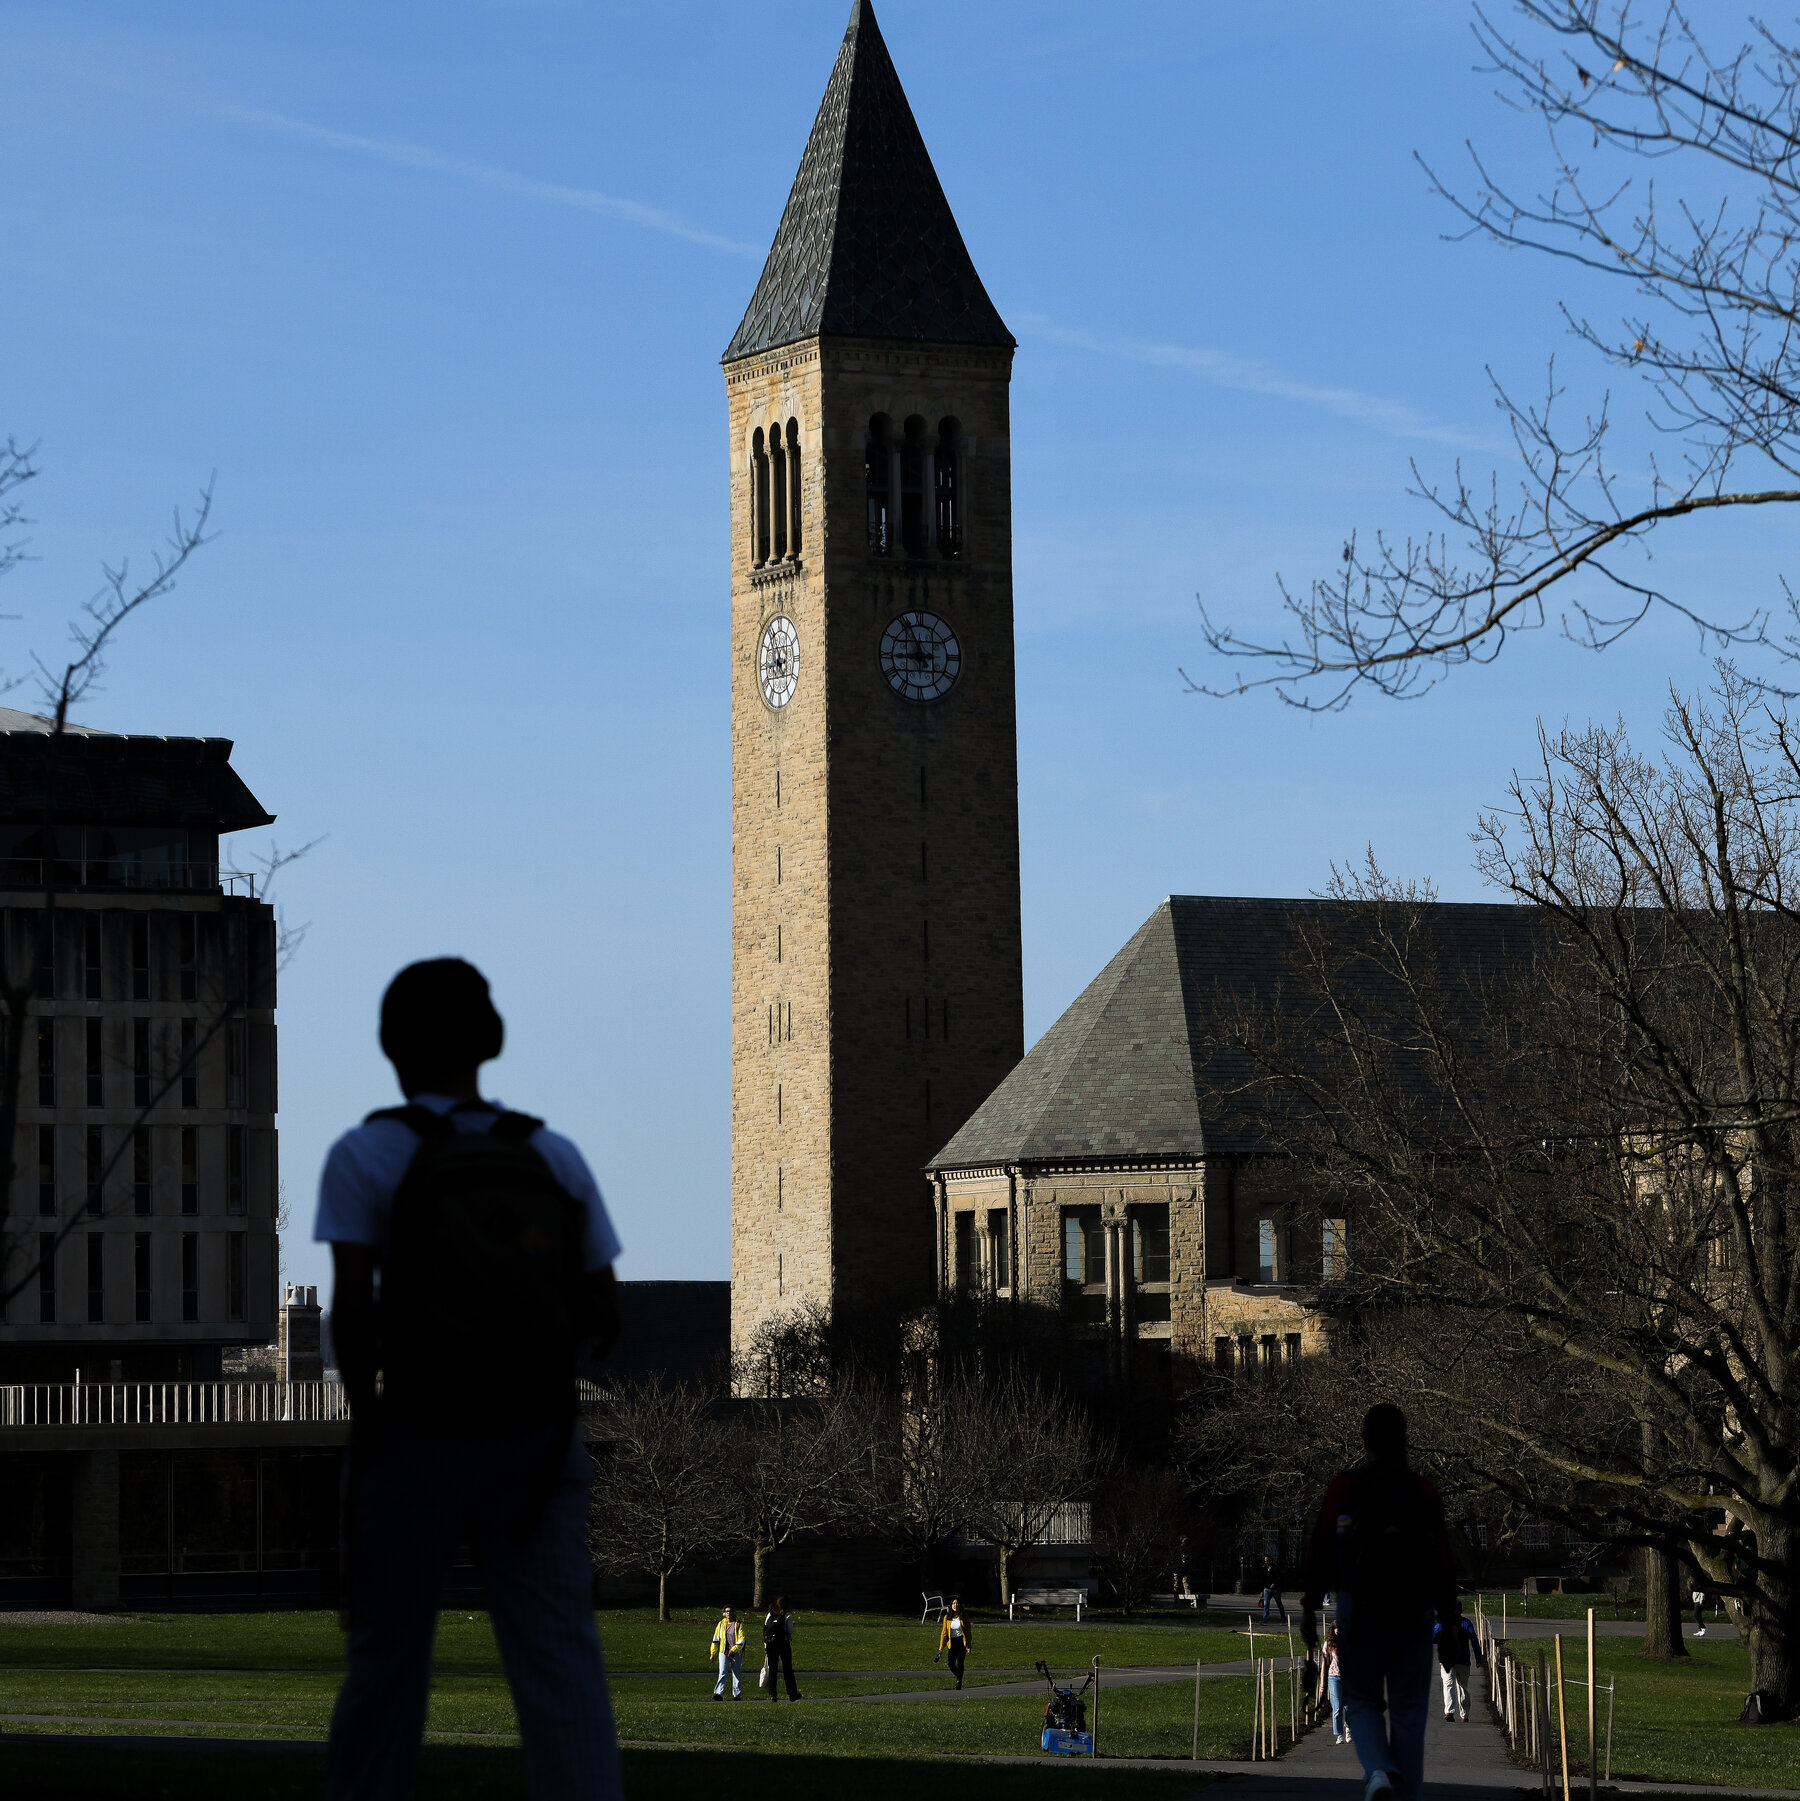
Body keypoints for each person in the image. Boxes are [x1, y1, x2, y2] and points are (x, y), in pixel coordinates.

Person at [316, 959, 625, 1801]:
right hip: (536, 1441)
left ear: (390, 1046)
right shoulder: (551, 1153)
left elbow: (349, 1314)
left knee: (386, 1669)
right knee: (562, 1668)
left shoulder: (367, 1152)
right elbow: (603, 1307)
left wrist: (369, 1423)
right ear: (490, 1040)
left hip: (414, 1430)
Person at [1302, 1404, 1457, 1801]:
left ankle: (1378, 1771)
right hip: (1413, 1609)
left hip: (1361, 1604)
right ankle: (1406, 1792)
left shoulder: (1346, 1487)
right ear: (1404, 1439)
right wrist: (1450, 1619)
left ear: (1365, 1440)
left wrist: (1309, 1606)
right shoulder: (1423, 1491)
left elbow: (1321, 1549)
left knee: (1362, 1701)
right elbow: (1442, 1560)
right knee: (1409, 1713)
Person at [1433, 1608, 1483, 1722]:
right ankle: (1464, 1714)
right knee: (1462, 1688)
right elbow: (1474, 1640)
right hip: (1463, 1661)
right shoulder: (1466, 1623)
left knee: (1448, 1685)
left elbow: (1433, 1636)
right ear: (1461, 1611)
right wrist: (1478, 1658)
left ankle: (1449, 1712)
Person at [763, 1595, 800, 1702]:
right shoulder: (787, 1614)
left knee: (772, 1669)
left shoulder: (770, 1613)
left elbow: (766, 1627)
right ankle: (792, 1693)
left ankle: (773, 1694)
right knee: (787, 1668)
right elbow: (790, 1630)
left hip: (770, 1644)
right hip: (783, 1643)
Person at [1318, 1620, 1349, 1743]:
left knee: (1349, 1706)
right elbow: (1324, 1665)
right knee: (1337, 1707)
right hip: (1334, 1677)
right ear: (1334, 1630)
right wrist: (1322, 1685)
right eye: (1337, 1629)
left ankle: (1348, 1730)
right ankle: (1339, 1734)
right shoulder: (1329, 1644)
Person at [937, 1595, 974, 1689]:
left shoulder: (964, 1617)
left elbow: (968, 1632)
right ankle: (959, 1677)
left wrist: (968, 1645)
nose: (955, 1605)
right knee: (950, 1663)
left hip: (961, 1641)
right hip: (952, 1642)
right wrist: (941, 1647)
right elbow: (944, 1633)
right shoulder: (947, 1617)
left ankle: (959, 1682)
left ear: (960, 1605)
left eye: (957, 1603)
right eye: (953, 1603)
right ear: (951, 1605)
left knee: (960, 1662)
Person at [711, 1606, 746, 1700]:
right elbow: (716, 1638)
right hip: (723, 1651)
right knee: (722, 1672)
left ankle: (737, 1695)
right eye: (726, 1611)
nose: (728, 1613)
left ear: (734, 1613)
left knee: (736, 1673)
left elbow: (742, 1639)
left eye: (730, 1611)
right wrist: (712, 1653)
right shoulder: (721, 1624)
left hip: (736, 1652)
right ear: (724, 1613)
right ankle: (718, 1693)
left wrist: (733, 1649)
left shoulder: (738, 1624)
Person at [1261, 1553, 1288, 1625]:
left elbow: (1279, 1578)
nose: (1266, 1562)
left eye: (1267, 1561)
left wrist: (1275, 1584)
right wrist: (1262, 1590)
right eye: (1265, 1561)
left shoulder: (1275, 1568)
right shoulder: (1264, 1569)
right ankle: (1265, 1619)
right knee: (1266, 1604)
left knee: (1279, 1603)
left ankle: (1283, 1618)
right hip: (1267, 1589)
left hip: (1276, 1589)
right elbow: (1263, 1580)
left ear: (1271, 1560)